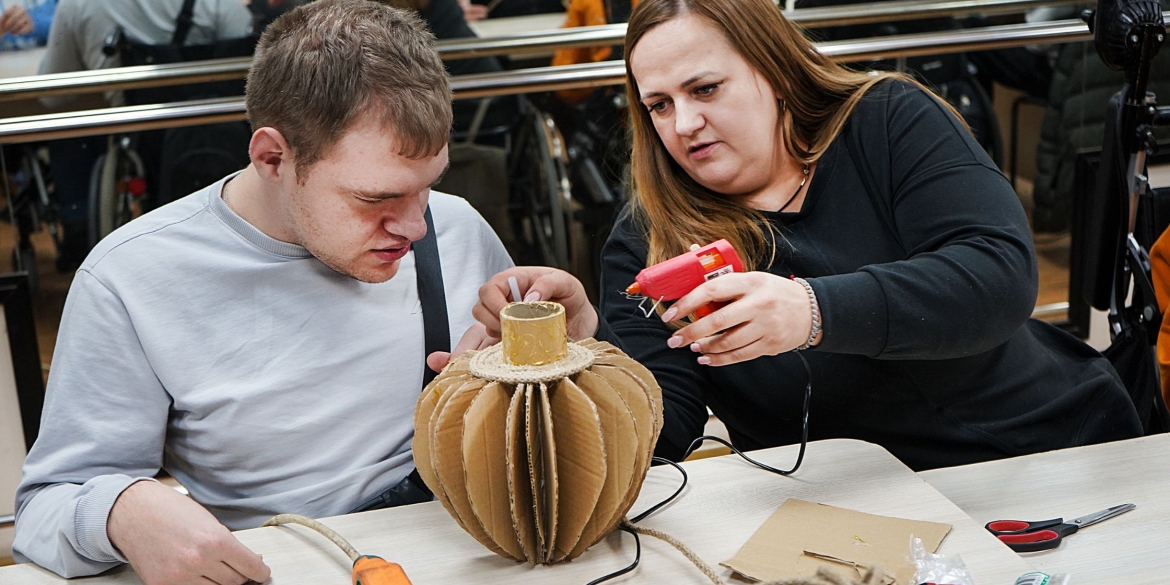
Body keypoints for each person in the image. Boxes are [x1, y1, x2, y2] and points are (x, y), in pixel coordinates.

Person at [452, 0, 1143, 472]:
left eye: (706, 88)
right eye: (658, 104)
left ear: (774, 69)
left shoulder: (885, 122)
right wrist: (586, 359)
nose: (682, 124)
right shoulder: (648, 239)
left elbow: (998, 277)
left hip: (1055, 452)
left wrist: (811, 311)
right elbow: (662, 430)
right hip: (862, 513)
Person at [13, 1, 512, 582]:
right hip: (287, 562)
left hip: (469, 547)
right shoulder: (134, 277)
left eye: (428, 186)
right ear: (273, 157)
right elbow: (44, 511)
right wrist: (118, 512)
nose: (417, 226)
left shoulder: (457, 226)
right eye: (375, 199)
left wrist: (571, 347)